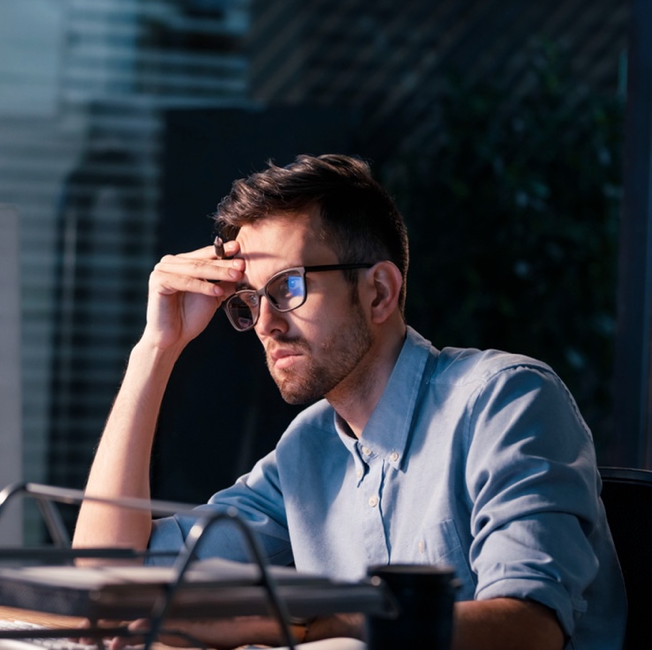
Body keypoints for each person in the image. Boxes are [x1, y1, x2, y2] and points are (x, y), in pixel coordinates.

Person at [72, 154, 626, 649]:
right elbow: (111, 578)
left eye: (288, 288)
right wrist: (156, 348)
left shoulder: (505, 400)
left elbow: (530, 628)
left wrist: (303, 625)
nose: (264, 324)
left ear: (379, 292)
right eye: (249, 300)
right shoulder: (308, 449)